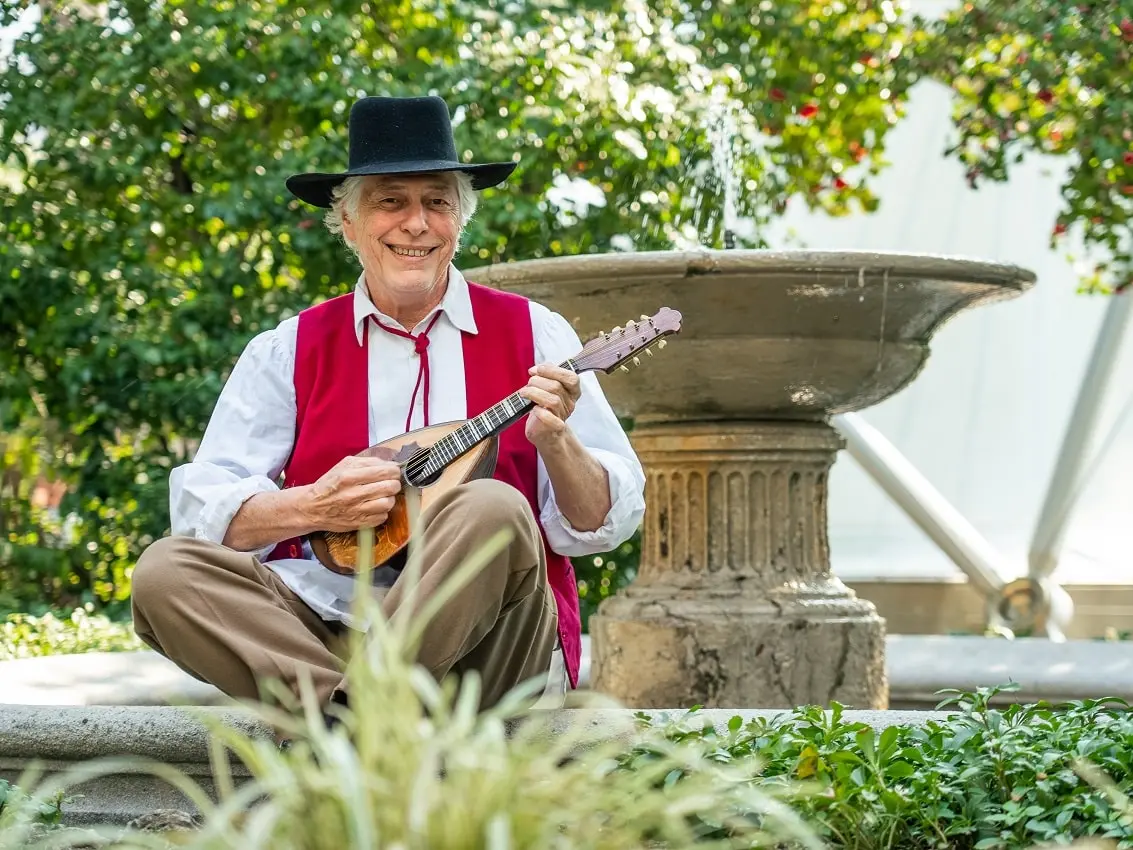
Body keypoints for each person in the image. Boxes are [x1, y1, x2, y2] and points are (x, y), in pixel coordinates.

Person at [129, 95, 645, 719]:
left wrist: (557, 442)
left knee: (491, 505)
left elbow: (602, 526)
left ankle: (349, 730)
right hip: (322, 636)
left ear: (460, 220)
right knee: (164, 573)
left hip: (489, 649)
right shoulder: (287, 350)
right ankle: (360, 719)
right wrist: (313, 505)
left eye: (437, 201)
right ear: (347, 223)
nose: (416, 223)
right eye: (390, 201)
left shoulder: (536, 334)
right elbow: (201, 513)